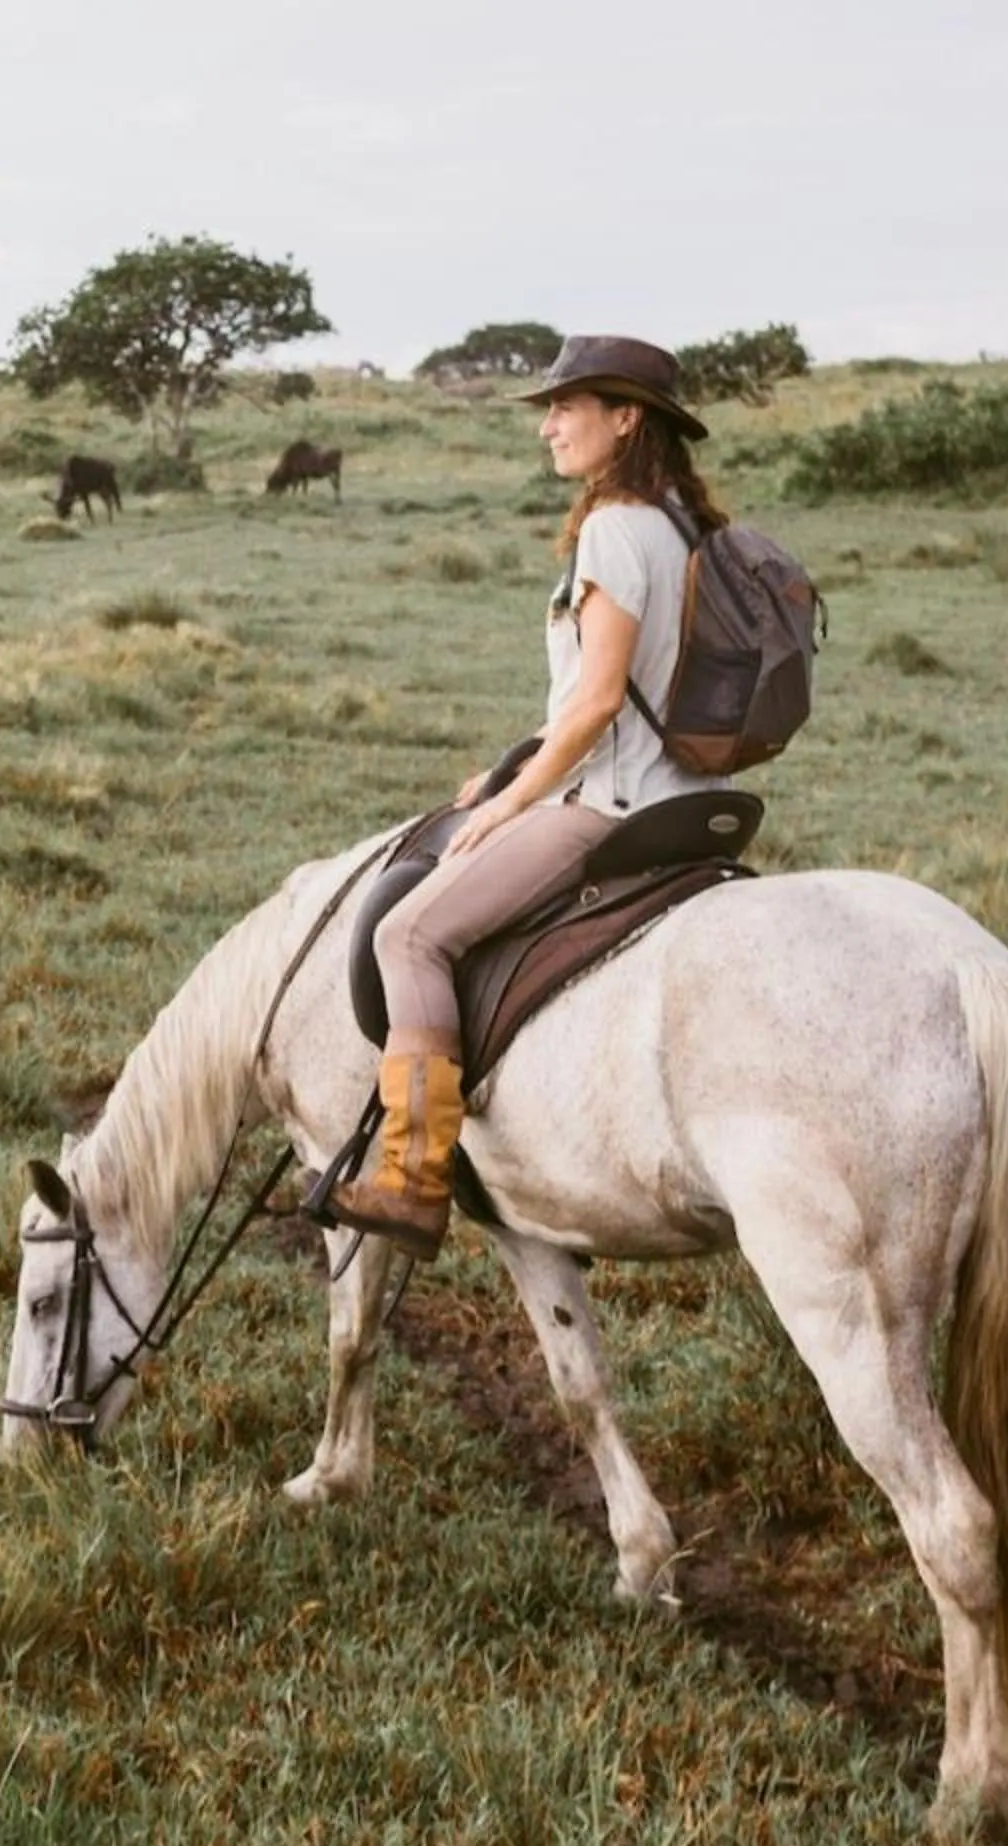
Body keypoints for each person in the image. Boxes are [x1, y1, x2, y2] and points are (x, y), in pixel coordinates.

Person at [325, 335, 734, 1260]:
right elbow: (624, 694)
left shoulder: (614, 529)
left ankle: (414, 1177)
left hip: (614, 807)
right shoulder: (683, 529)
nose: (547, 424)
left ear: (625, 419)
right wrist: (516, 765)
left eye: (567, 407)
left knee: (410, 934)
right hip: (693, 799)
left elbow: (595, 703)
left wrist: (513, 808)